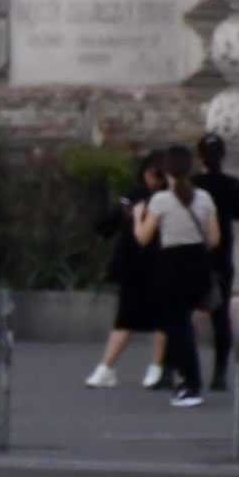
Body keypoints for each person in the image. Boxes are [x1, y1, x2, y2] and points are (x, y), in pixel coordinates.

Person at [133, 144, 221, 406]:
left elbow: (143, 237)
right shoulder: (204, 198)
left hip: (172, 266)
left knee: (178, 327)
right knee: (184, 325)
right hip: (197, 264)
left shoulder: (160, 201)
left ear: (166, 170)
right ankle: (186, 379)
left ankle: (191, 383)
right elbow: (214, 238)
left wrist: (138, 217)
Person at [88, 155, 170, 389]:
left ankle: (157, 366)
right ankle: (106, 368)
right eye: (149, 174)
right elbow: (104, 226)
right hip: (133, 265)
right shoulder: (135, 195)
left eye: (158, 176)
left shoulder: (166, 200)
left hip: (159, 264)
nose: (152, 181)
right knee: (125, 318)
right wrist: (123, 212)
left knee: (161, 319)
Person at [193, 133, 239, 390]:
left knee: (182, 311)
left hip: (194, 252)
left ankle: (177, 368)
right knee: (220, 315)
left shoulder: (192, 185)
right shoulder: (232, 184)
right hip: (223, 255)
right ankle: (220, 372)